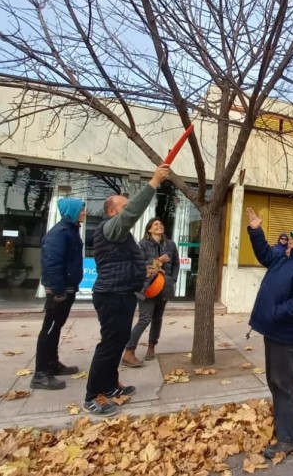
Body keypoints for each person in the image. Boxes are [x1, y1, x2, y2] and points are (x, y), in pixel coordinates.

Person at [82, 164, 170, 416]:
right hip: (112, 295)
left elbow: (125, 262)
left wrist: (147, 269)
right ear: (111, 211)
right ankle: (92, 396)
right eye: (122, 207)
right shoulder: (109, 228)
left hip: (122, 293)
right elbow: (131, 213)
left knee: (118, 341)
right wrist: (153, 182)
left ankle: (109, 387)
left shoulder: (120, 235)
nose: (127, 211)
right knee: (109, 344)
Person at [245, 207, 293, 460]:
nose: (290, 239)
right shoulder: (283, 258)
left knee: (285, 385)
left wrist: (275, 312)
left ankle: (289, 440)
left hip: (287, 337)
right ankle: (284, 427)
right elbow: (265, 253)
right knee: (276, 382)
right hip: (273, 332)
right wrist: (256, 230)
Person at [31, 198, 85, 390]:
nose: (84, 213)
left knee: (56, 328)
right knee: (50, 329)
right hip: (59, 292)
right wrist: (58, 291)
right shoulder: (59, 233)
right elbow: (52, 264)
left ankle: (52, 364)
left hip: (66, 289)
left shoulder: (70, 230)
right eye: (81, 210)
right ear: (71, 211)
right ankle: (40, 373)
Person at [121, 217, 180, 367]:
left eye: (161, 224)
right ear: (149, 229)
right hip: (146, 287)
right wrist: (158, 261)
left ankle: (151, 346)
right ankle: (129, 351)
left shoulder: (171, 245)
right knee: (145, 318)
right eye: (155, 224)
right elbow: (138, 264)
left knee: (157, 318)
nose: (159, 226)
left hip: (164, 287)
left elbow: (176, 263)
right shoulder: (142, 245)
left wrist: (172, 279)